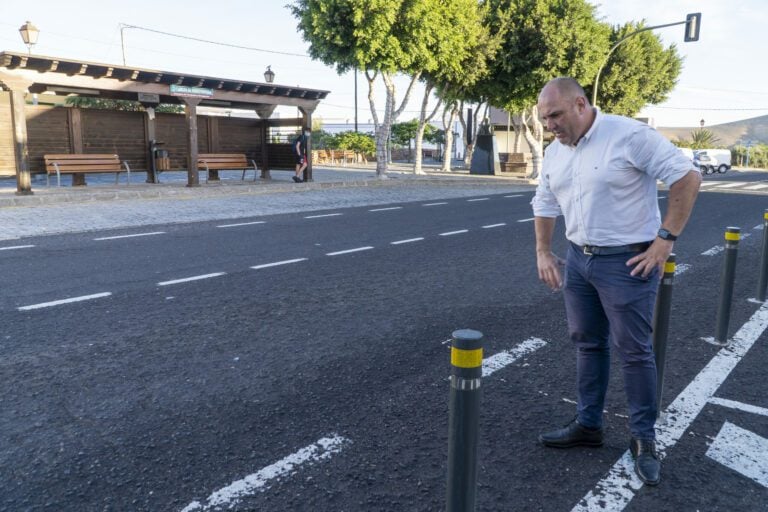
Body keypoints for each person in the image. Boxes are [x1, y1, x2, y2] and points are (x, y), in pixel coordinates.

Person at [532, 77, 701, 486]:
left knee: (635, 352)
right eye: (543, 119)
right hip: (579, 260)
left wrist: (664, 242)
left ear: (580, 104)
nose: (549, 125)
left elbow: (687, 177)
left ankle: (643, 439)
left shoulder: (628, 135)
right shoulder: (555, 152)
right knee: (587, 344)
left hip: (628, 263)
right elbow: (545, 200)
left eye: (555, 115)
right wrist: (543, 250)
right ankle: (589, 425)